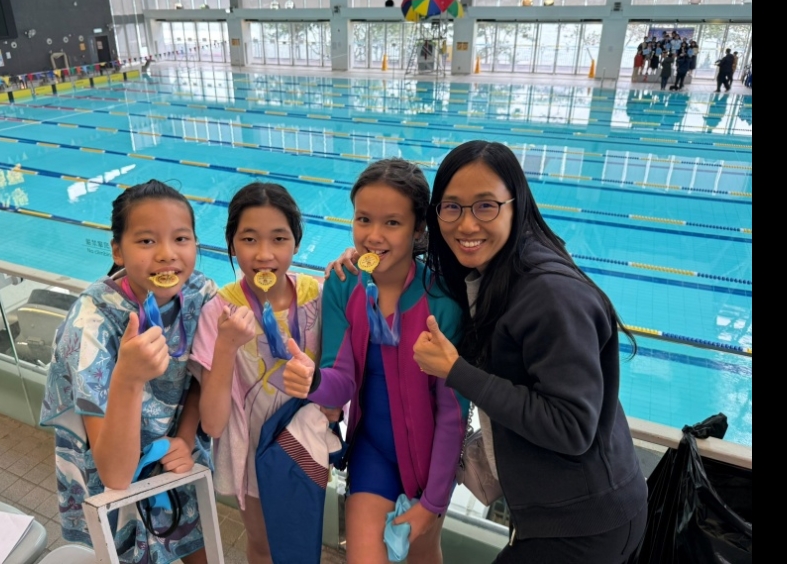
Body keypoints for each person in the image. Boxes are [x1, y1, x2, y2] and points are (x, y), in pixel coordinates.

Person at [410, 141, 647, 563]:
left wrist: (456, 370)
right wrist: (372, 256)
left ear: (516, 204)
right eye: (452, 207)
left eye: (486, 206)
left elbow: (572, 427)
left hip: (585, 524)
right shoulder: (502, 268)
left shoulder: (551, 295)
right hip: (571, 511)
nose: (466, 224)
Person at [284, 158, 467, 564]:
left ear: (418, 228)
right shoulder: (343, 285)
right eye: (364, 219)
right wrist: (315, 381)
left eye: (392, 223)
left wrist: (433, 502)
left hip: (431, 463)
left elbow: (452, 414)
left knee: (424, 556)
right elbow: (342, 378)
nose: (373, 236)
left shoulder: (441, 302)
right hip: (372, 453)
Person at [41, 180, 216, 564]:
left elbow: (202, 378)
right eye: (147, 241)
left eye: (181, 238)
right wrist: (129, 377)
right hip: (113, 461)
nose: (167, 254)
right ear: (118, 250)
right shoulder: (91, 325)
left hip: (173, 455)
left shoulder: (201, 294)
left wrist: (185, 438)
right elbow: (115, 474)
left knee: (194, 540)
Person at [190, 182, 328, 564]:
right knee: (264, 545)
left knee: (303, 539)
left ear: (296, 244)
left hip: (305, 448)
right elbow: (212, 424)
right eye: (249, 239)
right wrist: (225, 346)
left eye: (279, 239)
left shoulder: (319, 297)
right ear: (232, 245)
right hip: (250, 456)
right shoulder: (218, 312)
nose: (264, 254)